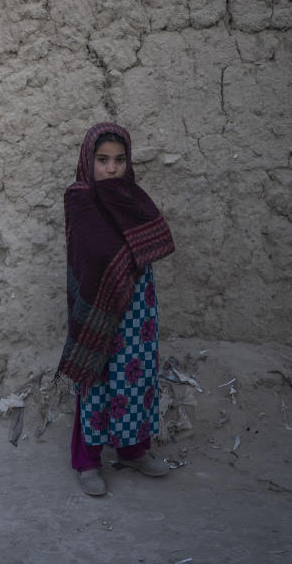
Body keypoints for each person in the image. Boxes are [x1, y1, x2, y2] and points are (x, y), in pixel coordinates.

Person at [58, 122, 176, 496]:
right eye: (103, 159)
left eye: (120, 160)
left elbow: (155, 239)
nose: (111, 168)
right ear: (87, 160)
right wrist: (125, 253)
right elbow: (95, 252)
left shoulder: (133, 197)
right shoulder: (79, 197)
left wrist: (128, 254)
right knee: (97, 377)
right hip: (98, 306)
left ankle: (133, 449)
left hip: (138, 303)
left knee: (136, 375)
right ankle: (87, 460)